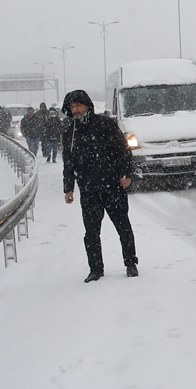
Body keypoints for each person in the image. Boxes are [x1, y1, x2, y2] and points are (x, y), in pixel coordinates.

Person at [61, 89, 138, 282]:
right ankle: (95, 269)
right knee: (91, 232)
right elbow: (68, 162)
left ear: (87, 105)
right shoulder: (69, 132)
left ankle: (130, 263)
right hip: (88, 189)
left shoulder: (105, 124)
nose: (75, 110)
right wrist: (68, 187)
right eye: (72, 106)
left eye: (78, 105)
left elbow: (123, 150)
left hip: (112, 186)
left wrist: (125, 174)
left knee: (123, 227)